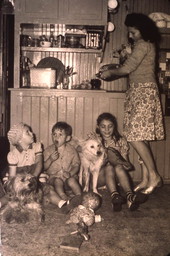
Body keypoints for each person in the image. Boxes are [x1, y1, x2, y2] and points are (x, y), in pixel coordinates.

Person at [98, 13, 164, 194]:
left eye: (133, 32)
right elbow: (131, 65)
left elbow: (128, 68)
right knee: (139, 135)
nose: (131, 36)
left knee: (134, 136)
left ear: (142, 30)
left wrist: (111, 73)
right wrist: (111, 68)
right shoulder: (142, 44)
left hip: (143, 91)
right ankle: (146, 178)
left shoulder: (143, 44)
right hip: (138, 91)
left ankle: (154, 175)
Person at [2, 122, 67, 209]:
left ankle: (60, 202)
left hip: (35, 175)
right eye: (27, 132)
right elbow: (12, 174)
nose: (32, 133)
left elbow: (39, 163)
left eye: (30, 131)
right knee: (10, 195)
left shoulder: (36, 147)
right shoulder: (13, 154)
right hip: (19, 179)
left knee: (48, 189)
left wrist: (34, 177)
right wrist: (14, 186)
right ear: (19, 139)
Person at [91, 112, 146, 211]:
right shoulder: (95, 140)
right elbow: (91, 165)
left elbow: (126, 166)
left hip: (115, 177)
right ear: (98, 127)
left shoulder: (120, 141)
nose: (107, 130)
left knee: (118, 166)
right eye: (103, 127)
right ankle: (115, 196)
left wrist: (119, 157)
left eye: (110, 126)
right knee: (109, 166)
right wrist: (106, 157)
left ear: (114, 126)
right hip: (98, 177)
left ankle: (129, 196)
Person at [43, 121, 82, 202]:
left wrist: (70, 173)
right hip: (54, 179)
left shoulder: (72, 150)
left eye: (60, 135)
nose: (56, 137)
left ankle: (79, 196)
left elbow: (76, 165)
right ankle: (63, 196)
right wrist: (50, 159)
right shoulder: (48, 151)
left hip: (68, 178)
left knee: (72, 180)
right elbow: (43, 167)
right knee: (57, 181)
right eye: (54, 134)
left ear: (67, 138)